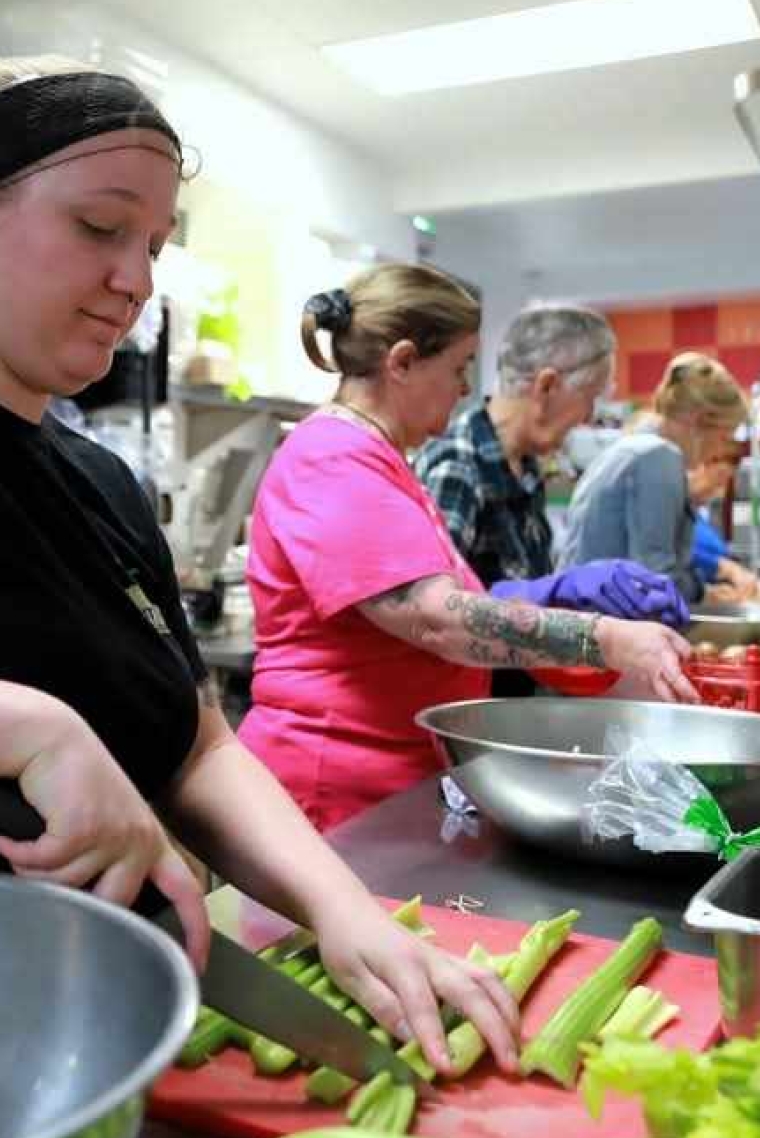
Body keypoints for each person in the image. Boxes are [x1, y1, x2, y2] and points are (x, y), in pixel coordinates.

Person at [0, 55, 521, 1076]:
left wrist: (345, 911)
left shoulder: (102, 487)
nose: (137, 279)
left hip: (94, 1034)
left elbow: (198, 748)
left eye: (154, 243)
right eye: (99, 227)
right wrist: (27, 729)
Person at [238, 266, 696, 835]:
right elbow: (434, 619)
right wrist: (604, 639)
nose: (463, 389)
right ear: (401, 362)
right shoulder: (334, 457)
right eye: (457, 369)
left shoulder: (378, 460)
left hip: (384, 778)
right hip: (330, 786)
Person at [413, 303, 686, 695]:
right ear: (546, 386)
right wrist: (557, 595)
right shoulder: (458, 463)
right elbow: (432, 617)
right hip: (465, 704)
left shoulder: (524, 467)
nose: (588, 417)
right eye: (590, 398)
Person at [559, 353, 750, 606]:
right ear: (699, 421)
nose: (717, 451)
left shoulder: (635, 446)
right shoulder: (658, 457)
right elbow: (655, 578)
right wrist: (707, 595)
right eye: (722, 436)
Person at [687, 451, 758, 601]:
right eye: (719, 479)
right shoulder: (673, 510)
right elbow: (676, 551)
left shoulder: (696, 516)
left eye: (726, 483)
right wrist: (727, 569)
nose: (720, 491)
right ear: (700, 467)